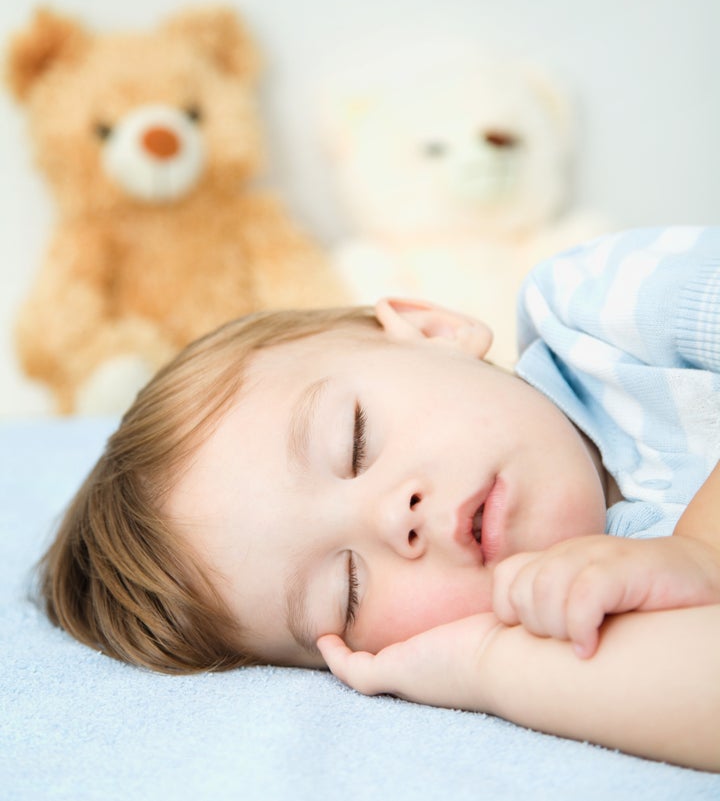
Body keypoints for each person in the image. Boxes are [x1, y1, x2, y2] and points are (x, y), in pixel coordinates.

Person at [38, 226, 720, 771]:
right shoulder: (579, 628)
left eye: (355, 439)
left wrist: (700, 551)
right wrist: (487, 666)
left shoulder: (601, 318)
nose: (394, 518)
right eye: (350, 589)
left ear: (432, 331)